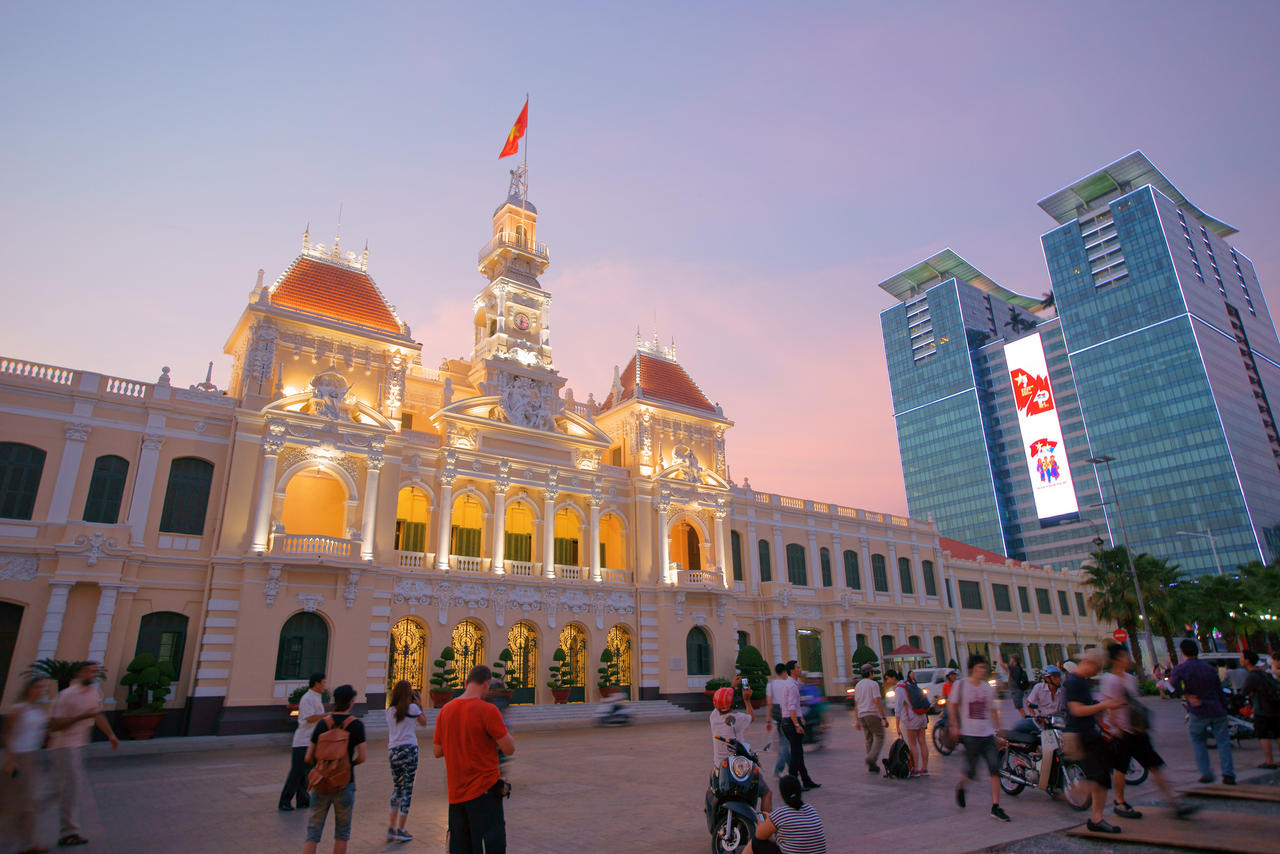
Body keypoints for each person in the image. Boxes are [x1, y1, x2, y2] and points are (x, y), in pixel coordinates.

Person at [1101, 644, 1195, 819]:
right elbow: (1109, 707)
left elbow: (1134, 703)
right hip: (1121, 732)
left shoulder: (1129, 679)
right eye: (1123, 656)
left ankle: (1173, 801)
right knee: (1120, 768)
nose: (1126, 659)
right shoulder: (1109, 680)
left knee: (1154, 765)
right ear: (1114, 660)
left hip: (1137, 730)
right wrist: (1115, 728)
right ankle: (1120, 802)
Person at [433, 665, 516, 854]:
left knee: (461, 847)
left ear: (465, 683)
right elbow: (509, 748)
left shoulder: (446, 710)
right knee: (490, 845)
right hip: (484, 792)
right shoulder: (488, 710)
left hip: (456, 794)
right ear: (486, 684)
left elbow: (437, 751)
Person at [48, 661, 119, 848]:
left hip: (79, 745)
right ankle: (68, 832)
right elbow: (54, 726)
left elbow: (96, 714)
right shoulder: (66, 695)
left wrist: (111, 735)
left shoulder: (93, 692)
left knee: (64, 790)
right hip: (64, 746)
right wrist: (80, 716)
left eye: (95, 671)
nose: (93, 674)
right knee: (69, 790)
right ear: (80, 673)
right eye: (90, 671)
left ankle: (29, 810)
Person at [1064, 648, 1124, 834]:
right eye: (1097, 669)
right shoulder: (1073, 682)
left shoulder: (1081, 681)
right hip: (1078, 735)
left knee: (1103, 776)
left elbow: (1087, 709)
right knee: (1098, 776)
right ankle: (1075, 790)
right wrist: (1104, 705)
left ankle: (1096, 818)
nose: (1097, 672)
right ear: (1090, 664)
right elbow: (1076, 710)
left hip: (1088, 733)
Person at [302, 684, 366, 854]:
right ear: (351, 702)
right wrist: (347, 766)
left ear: (334, 701)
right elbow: (362, 757)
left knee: (313, 832)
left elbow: (308, 756)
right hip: (344, 783)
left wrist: (322, 766)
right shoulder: (356, 725)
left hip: (321, 782)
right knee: (342, 833)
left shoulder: (323, 724)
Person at [948, 654, 1008, 822]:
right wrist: (954, 725)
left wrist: (998, 731)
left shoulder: (987, 688)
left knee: (994, 768)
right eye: (981, 667)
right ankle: (961, 786)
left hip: (987, 734)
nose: (984, 670)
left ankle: (996, 806)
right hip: (970, 735)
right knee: (971, 771)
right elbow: (951, 704)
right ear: (973, 668)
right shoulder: (960, 686)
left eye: (985, 667)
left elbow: (993, 710)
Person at [1170, 639, 1235, 784]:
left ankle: (1206, 773)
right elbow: (1219, 690)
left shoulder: (1181, 668)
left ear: (1182, 652)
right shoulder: (1209, 669)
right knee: (1223, 742)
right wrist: (1225, 707)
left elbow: (1172, 686)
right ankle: (1228, 773)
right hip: (1216, 708)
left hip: (1197, 709)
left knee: (1199, 741)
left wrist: (1187, 695)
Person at [3, 675, 51, 854]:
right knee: (13, 803)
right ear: (29, 689)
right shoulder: (18, 709)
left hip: (32, 758)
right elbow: (8, 735)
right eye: (38, 687)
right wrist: (10, 760)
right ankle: (25, 843)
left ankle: (29, 843)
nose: (41, 690)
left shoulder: (38, 710)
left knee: (27, 802)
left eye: (43, 687)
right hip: (18, 759)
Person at [709, 677, 773, 811]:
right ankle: (764, 827)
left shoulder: (713, 717)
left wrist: (731, 687)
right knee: (767, 793)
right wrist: (747, 700)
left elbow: (720, 705)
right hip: (738, 767)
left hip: (720, 766)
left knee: (712, 785)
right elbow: (752, 717)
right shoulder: (738, 719)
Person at [385, 680, 428, 843]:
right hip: (409, 750)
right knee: (407, 790)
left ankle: (391, 827)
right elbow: (424, 722)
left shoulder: (389, 711)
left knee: (397, 788)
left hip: (393, 751)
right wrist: (420, 704)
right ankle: (401, 829)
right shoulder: (413, 709)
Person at [281, 672, 327, 812]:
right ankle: (285, 800)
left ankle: (303, 799)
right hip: (302, 741)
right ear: (317, 683)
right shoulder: (307, 698)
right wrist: (326, 716)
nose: (324, 685)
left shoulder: (316, 697)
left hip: (311, 741)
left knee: (305, 772)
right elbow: (308, 718)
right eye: (323, 682)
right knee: (296, 772)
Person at [746, 775, 826, 854]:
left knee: (755, 842)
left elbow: (760, 836)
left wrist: (762, 822)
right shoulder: (811, 809)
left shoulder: (780, 814)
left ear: (781, 794)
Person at [778, 660, 819, 790]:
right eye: (797, 667)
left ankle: (806, 780)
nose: (800, 669)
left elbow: (795, 705)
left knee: (798, 753)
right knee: (796, 755)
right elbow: (791, 707)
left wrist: (800, 718)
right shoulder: (792, 686)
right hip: (791, 722)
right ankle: (793, 784)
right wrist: (797, 724)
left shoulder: (789, 684)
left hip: (787, 721)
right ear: (792, 671)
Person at [1241, 649, 1280, 769]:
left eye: (1242, 657)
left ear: (1247, 661)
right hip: (1275, 707)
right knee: (1277, 734)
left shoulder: (1252, 676)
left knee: (1263, 735)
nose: (1241, 660)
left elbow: (1245, 691)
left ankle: (1269, 761)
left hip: (1261, 709)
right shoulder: (1265, 673)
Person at [889, 670, 928, 776]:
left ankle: (915, 770)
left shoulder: (899, 688)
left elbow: (898, 707)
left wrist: (897, 726)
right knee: (922, 742)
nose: (887, 681)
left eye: (887, 678)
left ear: (893, 678)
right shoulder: (909, 683)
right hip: (922, 715)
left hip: (912, 718)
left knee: (912, 744)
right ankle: (924, 769)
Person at [852, 665, 887, 774]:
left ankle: (872, 765)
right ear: (871, 673)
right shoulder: (873, 684)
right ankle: (871, 758)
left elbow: (856, 704)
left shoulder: (858, 685)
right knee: (880, 736)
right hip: (871, 713)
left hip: (862, 715)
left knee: (868, 738)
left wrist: (857, 720)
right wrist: (884, 717)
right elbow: (877, 701)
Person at [1013, 665, 1064, 735]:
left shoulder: (1063, 691)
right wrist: (1035, 716)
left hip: (1056, 722)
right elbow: (1028, 703)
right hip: (1039, 721)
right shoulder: (1039, 688)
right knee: (1016, 727)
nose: (1058, 679)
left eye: (1059, 676)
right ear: (1047, 679)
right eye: (1055, 677)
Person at [765, 663, 791, 777]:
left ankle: (793, 767)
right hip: (787, 715)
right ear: (784, 672)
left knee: (784, 742)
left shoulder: (770, 685)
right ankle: (778, 769)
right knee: (785, 743)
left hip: (777, 716)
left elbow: (769, 704)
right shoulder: (787, 684)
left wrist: (768, 721)